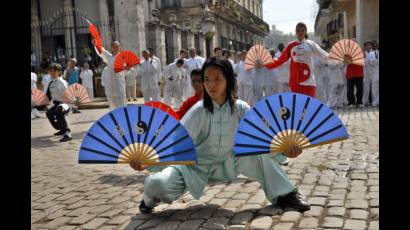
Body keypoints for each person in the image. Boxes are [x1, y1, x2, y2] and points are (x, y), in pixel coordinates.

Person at [131, 57, 310, 214]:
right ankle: (148, 198)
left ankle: (286, 194)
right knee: (158, 184)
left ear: (229, 81)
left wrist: (285, 152)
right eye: (207, 79)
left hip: (230, 161)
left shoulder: (241, 108)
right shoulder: (198, 111)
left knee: (260, 154)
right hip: (194, 166)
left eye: (217, 79)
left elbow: (261, 138)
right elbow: (175, 144)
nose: (211, 85)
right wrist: (149, 162)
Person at [265, 22, 335, 97]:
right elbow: (280, 60)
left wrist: (338, 59)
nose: (300, 32)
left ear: (305, 31)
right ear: (295, 32)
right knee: (297, 106)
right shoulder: (290, 45)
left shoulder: (311, 44)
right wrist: (265, 63)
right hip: (295, 81)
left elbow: (324, 55)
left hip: (309, 80)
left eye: (302, 30)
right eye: (298, 31)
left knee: (309, 105)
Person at [45, 63, 72, 142]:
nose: (52, 72)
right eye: (51, 70)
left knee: (59, 111)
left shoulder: (62, 82)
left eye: (54, 71)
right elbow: (48, 97)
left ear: (59, 72)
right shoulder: (51, 83)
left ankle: (67, 133)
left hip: (66, 103)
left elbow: (68, 95)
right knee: (49, 113)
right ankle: (62, 128)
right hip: (58, 104)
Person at [99, 41, 127, 110]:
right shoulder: (109, 58)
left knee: (121, 106)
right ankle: (114, 120)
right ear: (112, 48)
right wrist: (96, 44)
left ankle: (123, 119)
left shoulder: (123, 57)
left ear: (119, 48)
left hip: (119, 86)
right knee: (112, 107)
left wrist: (126, 68)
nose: (116, 48)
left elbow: (126, 70)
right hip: (110, 87)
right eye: (114, 47)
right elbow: (103, 52)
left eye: (117, 47)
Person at [363, 41, 379, 107]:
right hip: (366, 72)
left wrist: (367, 60)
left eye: (369, 45)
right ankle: (364, 101)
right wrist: (366, 59)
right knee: (366, 87)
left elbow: (373, 62)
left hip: (374, 72)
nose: (368, 46)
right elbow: (363, 62)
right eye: (366, 45)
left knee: (374, 88)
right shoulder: (363, 53)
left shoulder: (375, 52)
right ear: (365, 47)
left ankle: (375, 101)